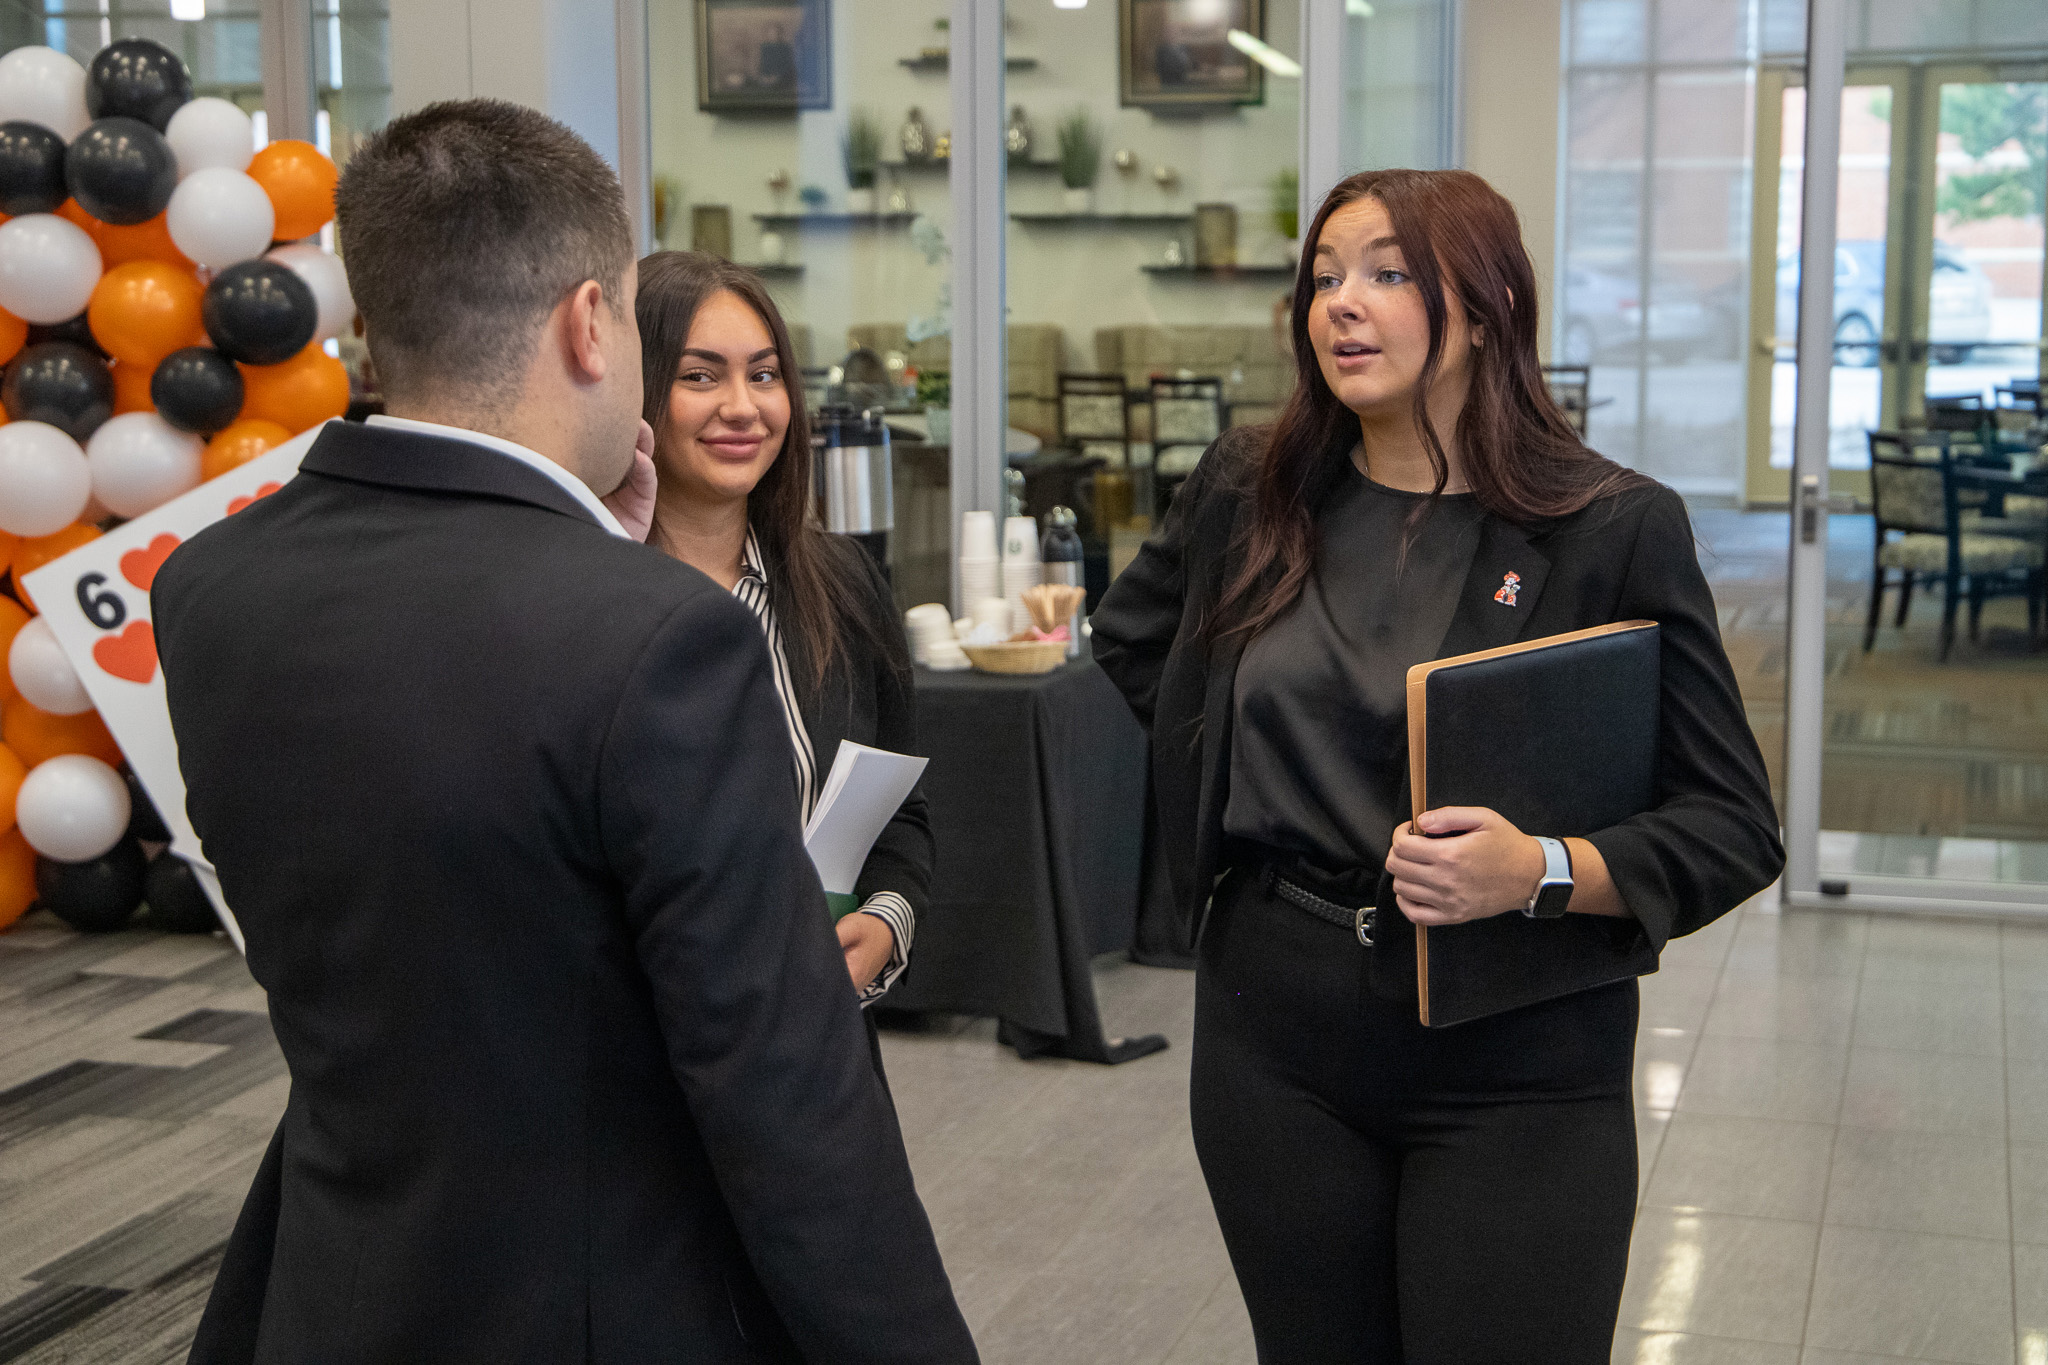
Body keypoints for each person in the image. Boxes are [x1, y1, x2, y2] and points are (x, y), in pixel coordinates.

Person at [154, 100, 977, 1365]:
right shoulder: (650, 633)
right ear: (590, 323)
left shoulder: (211, 585)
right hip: (606, 1300)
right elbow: (778, 1090)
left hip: (339, 1271)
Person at [1090, 167, 1783, 1363]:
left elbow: (1729, 822)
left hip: (1516, 1052)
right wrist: (1250, 776)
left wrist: (1540, 870)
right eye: (1322, 278)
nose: (1338, 305)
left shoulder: (1607, 528)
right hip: (1275, 1034)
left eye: (1384, 273)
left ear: (1485, 303)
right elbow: (1135, 645)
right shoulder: (1251, 490)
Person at [632, 250, 925, 1060]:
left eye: (765, 376)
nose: (743, 408)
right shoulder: (585, 602)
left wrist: (886, 917)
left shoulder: (843, 582)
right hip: (641, 1056)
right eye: (700, 376)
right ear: (639, 389)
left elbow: (901, 807)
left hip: (815, 1045)